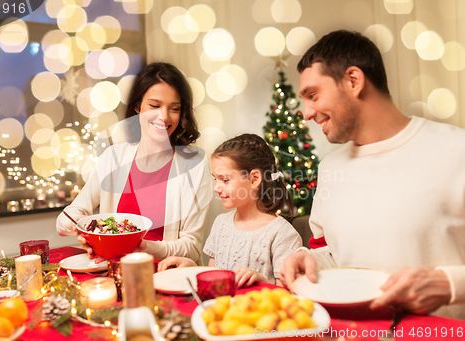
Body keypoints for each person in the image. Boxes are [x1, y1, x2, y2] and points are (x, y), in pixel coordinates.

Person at [279, 30, 465, 320]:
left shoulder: (457, 150)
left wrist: (450, 284)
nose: (305, 112)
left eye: (313, 95)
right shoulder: (330, 168)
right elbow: (336, 254)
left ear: (354, 81)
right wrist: (309, 259)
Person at [56, 62, 212, 264]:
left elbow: (191, 248)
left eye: (174, 108)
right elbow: (65, 221)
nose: (164, 117)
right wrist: (83, 229)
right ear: (138, 106)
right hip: (115, 274)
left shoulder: (195, 166)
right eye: (154, 106)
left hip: (168, 278)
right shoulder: (114, 158)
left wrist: (144, 246)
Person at [158, 134, 302, 287]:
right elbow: (214, 277)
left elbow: (287, 296)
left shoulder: (282, 234)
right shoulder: (221, 223)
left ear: (254, 179)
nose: (216, 188)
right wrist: (190, 268)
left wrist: (260, 281)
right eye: (216, 179)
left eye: (225, 180)